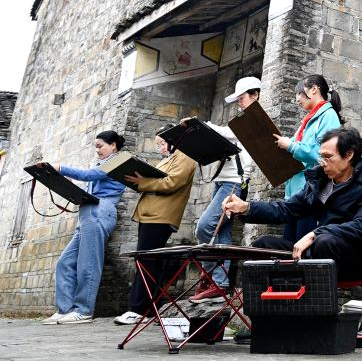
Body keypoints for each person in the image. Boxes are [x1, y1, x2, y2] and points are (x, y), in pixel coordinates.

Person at [221, 127, 362, 278]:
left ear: (348, 155)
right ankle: (270, 299)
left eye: (328, 157)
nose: (323, 163)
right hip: (318, 252)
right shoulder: (321, 180)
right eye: (321, 157)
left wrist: (315, 234)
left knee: (324, 242)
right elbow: (287, 209)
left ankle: (315, 298)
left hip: (354, 258)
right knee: (262, 245)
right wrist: (246, 207)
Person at [182, 76, 258, 303]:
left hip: (234, 182)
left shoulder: (255, 119)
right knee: (221, 234)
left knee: (205, 227)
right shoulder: (244, 119)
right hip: (223, 181)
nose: (239, 103)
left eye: (242, 98)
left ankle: (212, 278)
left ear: (255, 95)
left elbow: (228, 133)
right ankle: (220, 283)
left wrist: (199, 124)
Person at [39, 130, 127, 325]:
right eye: (95, 147)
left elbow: (89, 175)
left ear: (113, 145)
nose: (97, 150)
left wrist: (60, 168)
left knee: (88, 263)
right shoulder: (104, 164)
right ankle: (65, 309)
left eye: (100, 146)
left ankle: (84, 310)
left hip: (100, 210)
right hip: (88, 212)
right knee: (65, 263)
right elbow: (88, 183)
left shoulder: (119, 160)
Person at [114, 129, 197, 326]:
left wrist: (143, 182)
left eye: (161, 143)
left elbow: (172, 182)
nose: (159, 148)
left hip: (160, 216)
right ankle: (153, 308)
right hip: (150, 214)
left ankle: (137, 310)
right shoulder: (170, 158)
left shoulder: (185, 156)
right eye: (157, 144)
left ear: (173, 140)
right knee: (151, 263)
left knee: (145, 261)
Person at [274, 74, 343, 242]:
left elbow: (323, 154)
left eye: (299, 93)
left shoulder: (328, 116)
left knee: (302, 247)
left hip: (311, 194)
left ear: (314, 89)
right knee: (288, 247)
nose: (297, 99)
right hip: (295, 195)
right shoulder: (308, 120)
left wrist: (290, 146)